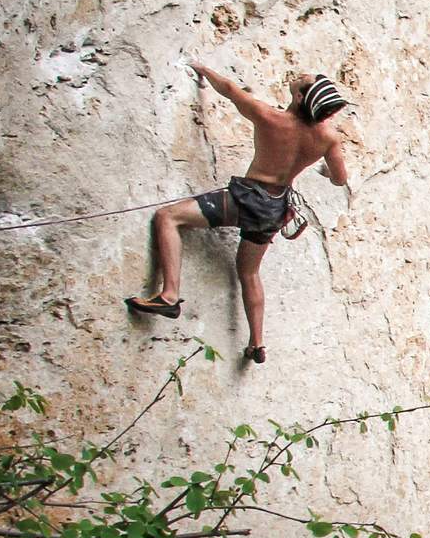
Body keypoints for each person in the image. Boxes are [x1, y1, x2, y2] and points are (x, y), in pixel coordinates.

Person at [126, 63, 354, 363]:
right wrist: (324, 170)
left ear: (300, 98)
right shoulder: (328, 138)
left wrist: (202, 70)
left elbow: (231, 91)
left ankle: (169, 294)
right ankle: (257, 343)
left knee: (169, 217)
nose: (297, 77)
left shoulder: (271, 118)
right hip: (274, 208)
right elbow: (340, 179)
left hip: (245, 198)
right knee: (249, 272)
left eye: (302, 82)